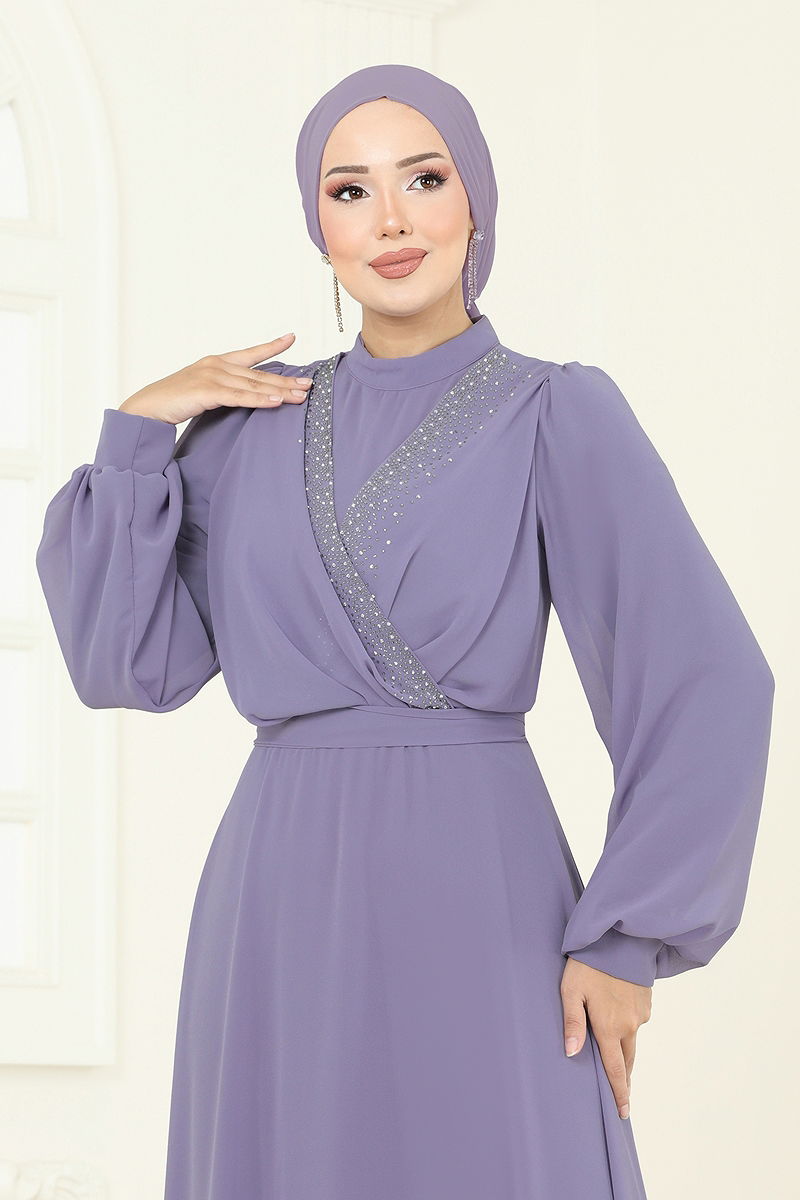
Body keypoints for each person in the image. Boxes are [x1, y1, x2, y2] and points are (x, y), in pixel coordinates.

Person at [35, 62, 775, 1200]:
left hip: (480, 890)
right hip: (277, 899)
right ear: (317, 226)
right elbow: (126, 664)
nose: (389, 220)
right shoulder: (246, 430)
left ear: (475, 199)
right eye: (349, 191)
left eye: (423, 179)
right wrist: (140, 432)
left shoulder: (554, 412)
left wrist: (627, 940)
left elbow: (705, 677)